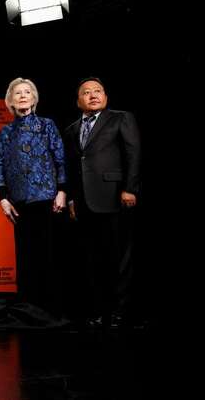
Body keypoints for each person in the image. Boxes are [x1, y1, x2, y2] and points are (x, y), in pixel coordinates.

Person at [63, 77, 141, 328]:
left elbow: (133, 153)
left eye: (98, 91)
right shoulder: (72, 129)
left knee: (119, 257)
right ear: (78, 101)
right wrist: (73, 200)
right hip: (85, 203)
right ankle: (99, 311)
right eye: (86, 92)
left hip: (115, 197)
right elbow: (73, 168)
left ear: (106, 97)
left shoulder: (121, 118)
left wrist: (130, 188)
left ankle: (120, 312)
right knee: (92, 259)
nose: (93, 95)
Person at [0, 77, 67, 315]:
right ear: (11, 101)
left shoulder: (47, 125)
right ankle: (28, 306)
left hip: (47, 197)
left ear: (34, 98)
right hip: (19, 201)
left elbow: (60, 158)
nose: (23, 96)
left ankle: (49, 306)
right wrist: (3, 197)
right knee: (24, 255)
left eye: (27, 92)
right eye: (18, 93)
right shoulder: (6, 132)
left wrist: (62, 191)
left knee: (47, 253)